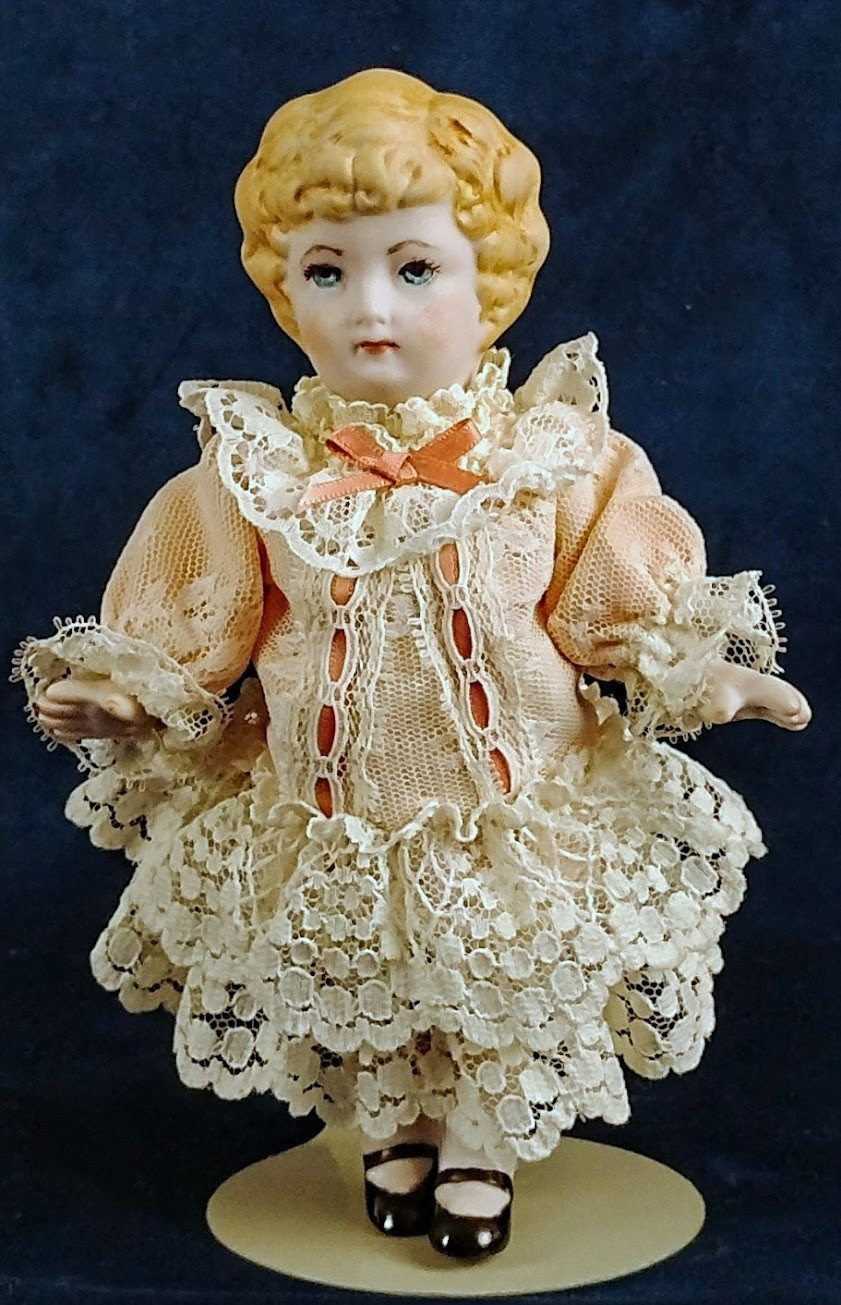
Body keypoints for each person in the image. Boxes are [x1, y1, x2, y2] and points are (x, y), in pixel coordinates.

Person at [14, 68, 811, 1261]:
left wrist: (698, 671)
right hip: (329, 812)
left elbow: (609, 598)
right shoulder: (256, 474)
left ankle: (482, 1142)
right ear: (284, 290)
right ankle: (394, 1120)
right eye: (327, 272)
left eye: (415, 268)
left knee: (496, 978)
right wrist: (129, 692)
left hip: (510, 811)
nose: (368, 307)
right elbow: (201, 620)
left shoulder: (549, 459)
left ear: (491, 284)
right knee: (368, 976)